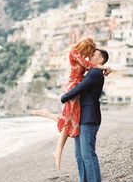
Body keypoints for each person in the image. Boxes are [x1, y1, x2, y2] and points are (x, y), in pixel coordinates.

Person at [32, 38, 111, 170]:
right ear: (85, 47)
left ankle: (45, 115)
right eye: (90, 52)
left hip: (77, 84)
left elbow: (89, 67)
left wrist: (103, 68)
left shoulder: (81, 56)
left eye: (92, 54)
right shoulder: (74, 53)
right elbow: (88, 65)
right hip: (73, 85)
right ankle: (58, 151)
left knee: (71, 118)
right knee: (69, 119)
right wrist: (105, 67)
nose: (89, 55)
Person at [60, 48, 109, 182]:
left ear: (100, 60)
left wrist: (64, 97)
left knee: (88, 153)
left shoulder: (94, 73)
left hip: (89, 117)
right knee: (79, 155)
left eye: (93, 55)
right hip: (80, 118)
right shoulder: (92, 72)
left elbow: (80, 88)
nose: (89, 56)